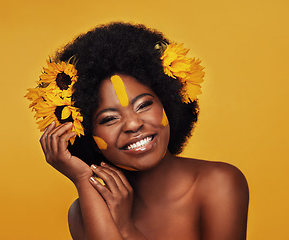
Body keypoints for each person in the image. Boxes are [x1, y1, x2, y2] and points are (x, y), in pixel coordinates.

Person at [26, 22, 249, 240]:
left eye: (143, 105)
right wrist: (83, 179)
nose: (133, 124)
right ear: (84, 134)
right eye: (109, 119)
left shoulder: (219, 184)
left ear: (169, 104)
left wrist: (125, 228)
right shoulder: (85, 212)